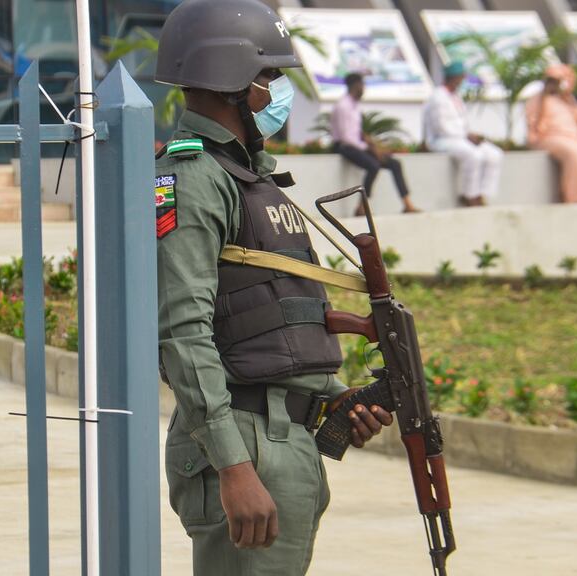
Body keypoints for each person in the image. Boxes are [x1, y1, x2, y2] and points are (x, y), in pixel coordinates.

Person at [153, 1, 394, 574]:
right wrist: (234, 468)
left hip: (286, 438)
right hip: (243, 444)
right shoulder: (191, 178)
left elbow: (273, 309)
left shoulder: (254, 179)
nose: (276, 92)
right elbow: (183, 330)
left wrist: (332, 394)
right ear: (233, 82)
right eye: (268, 76)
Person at [330, 73, 419, 214]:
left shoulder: (355, 106)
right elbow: (346, 137)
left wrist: (373, 145)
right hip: (344, 147)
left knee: (394, 164)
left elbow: (356, 132)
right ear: (354, 86)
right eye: (362, 85)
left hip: (357, 145)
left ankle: (407, 203)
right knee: (374, 166)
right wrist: (370, 150)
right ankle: (361, 207)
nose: (363, 88)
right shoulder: (343, 106)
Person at [423, 61, 503, 207]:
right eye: (461, 77)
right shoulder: (438, 97)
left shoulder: (455, 96)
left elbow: (462, 123)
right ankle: (469, 196)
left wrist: (470, 135)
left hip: (460, 138)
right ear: (453, 77)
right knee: (474, 155)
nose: (462, 81)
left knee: (494, 154)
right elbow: (442, 127)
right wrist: (465, 137)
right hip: (442, 140)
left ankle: (482, 194)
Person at [526, 64, 577, 203]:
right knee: (574, 154)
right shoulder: (538, 100)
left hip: (573, 137)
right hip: (551, 138)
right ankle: (574, 197)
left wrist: (568, 99)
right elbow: (534, 123)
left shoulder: (567, 100)